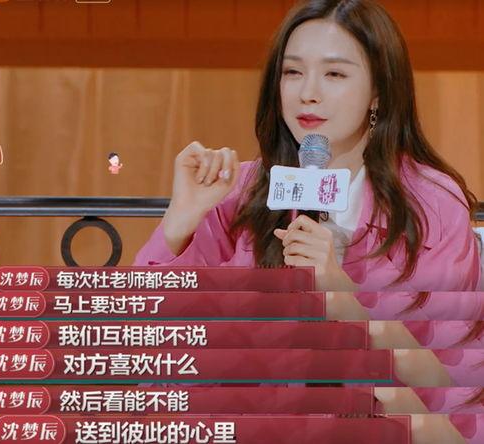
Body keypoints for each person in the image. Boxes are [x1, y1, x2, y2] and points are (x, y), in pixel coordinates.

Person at [134, 0, 480, 292]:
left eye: (334, 74)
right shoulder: (239, 191)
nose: (308, 93)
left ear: (379, 91)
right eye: (292, 72)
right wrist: (179, 223)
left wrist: (342, 295)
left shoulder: (432, 203)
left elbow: (450, 344)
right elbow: (151, 325)